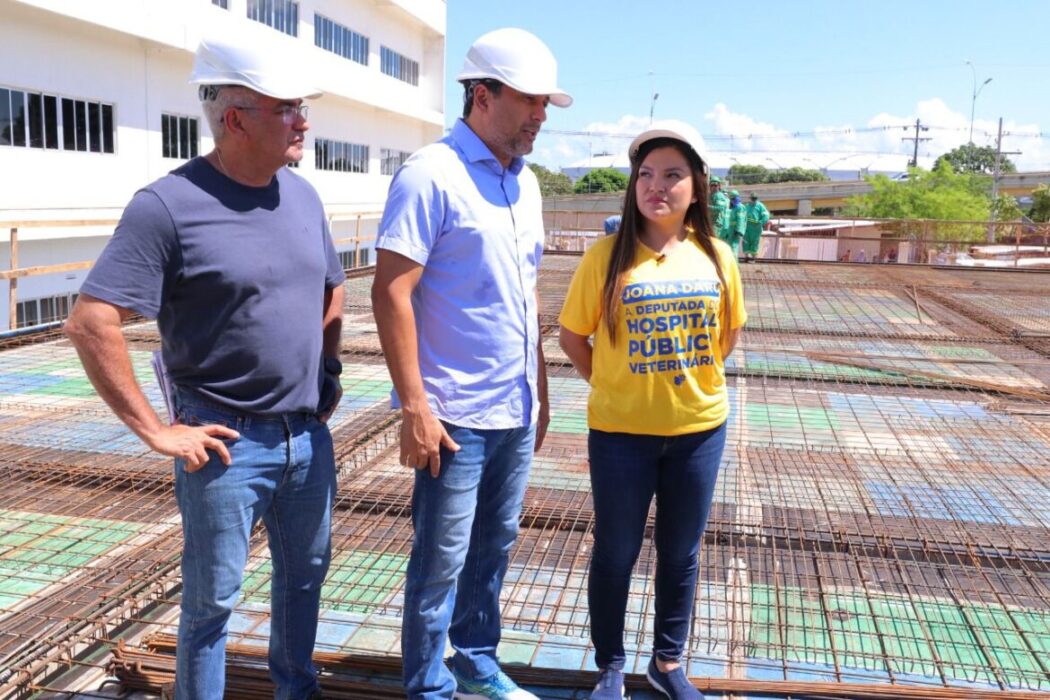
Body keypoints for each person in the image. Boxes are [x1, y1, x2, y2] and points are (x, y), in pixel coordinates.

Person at [63, 30, 345, 700]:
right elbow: (90, 321)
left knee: (304, 582)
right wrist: (157, 432)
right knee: (213, 602)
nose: (303, 120)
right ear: (236, 118)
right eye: (287, 108)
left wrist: (328, 373)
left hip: (307, 436)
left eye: (302, 106)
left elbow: (330, 284)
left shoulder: (301, 194)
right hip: (222, 442)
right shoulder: (166, 206)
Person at [371, 27, 569, 700]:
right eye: (530, 101)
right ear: (481, 95)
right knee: (440, 562)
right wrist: (414, 408)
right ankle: (428, 686)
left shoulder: (527, 184)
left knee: (495, 546)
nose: (541, 116)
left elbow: (526, 291)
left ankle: (477, 658)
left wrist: (539, 388)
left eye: (546, 104)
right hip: (454, 415)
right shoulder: (432, 175)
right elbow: (391, 290)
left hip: (512, 407)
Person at [558, 120, 747, 700]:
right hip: (620, 437)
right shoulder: (605, 258)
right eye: (645, 174)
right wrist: (616, 386)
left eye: (672, 175)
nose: (655, 186)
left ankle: (666, 665)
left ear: (697, 187)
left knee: (681, 553)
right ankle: (611, 665)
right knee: (616, 550)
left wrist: (685, 383)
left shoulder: (717, 255)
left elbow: (728, 332)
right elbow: (572, 337)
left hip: (698, 432)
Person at [742, 192, 770, 263]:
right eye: (752, 198)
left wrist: (761, 222)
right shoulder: (747, 206)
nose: (753, 200)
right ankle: (746, 257)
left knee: (755, 242)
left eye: (755, 199)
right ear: (750, 199)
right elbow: (742, 215)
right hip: (747, 227)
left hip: (756, 227)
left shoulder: (760, 206)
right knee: (746, 241)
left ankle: (753, 258)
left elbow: (766, 215)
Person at [707, 175, 729, 242]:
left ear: (719, 186)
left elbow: (719, 208)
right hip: (709, 222)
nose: (713, 187)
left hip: (716, 224)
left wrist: (707, 207)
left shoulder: (719, 196)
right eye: (712, 185)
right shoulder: (710, 195)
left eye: (715, 185)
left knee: (714, 242)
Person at [725, 189, 747, 256]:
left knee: (734, 247)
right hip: (731, 230)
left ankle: (734, 264)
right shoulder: (734, 208)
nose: (732, 200)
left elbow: (741, 219)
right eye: (731, 199)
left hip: (735, 231)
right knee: (730, 247)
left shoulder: (740, 207)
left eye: (733, 198)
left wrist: (738, 230)